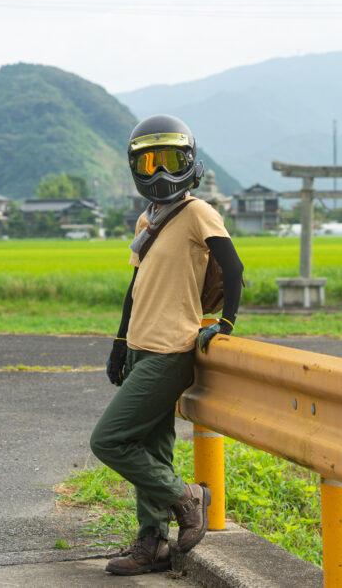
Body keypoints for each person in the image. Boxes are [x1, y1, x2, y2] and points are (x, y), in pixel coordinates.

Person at [89, 114, 244, 576]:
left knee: (110, 440)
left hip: (170, 350)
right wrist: (120, 344)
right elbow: (134, 288)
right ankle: (152, 543)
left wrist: (226, 323)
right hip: (139, 347)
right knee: (148, 446)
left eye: (170, 160)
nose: (159, 172)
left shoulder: (198, 212)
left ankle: (186, 497)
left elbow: (232, 268)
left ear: (190, 162)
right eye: (149, 162)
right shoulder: (148, 218)